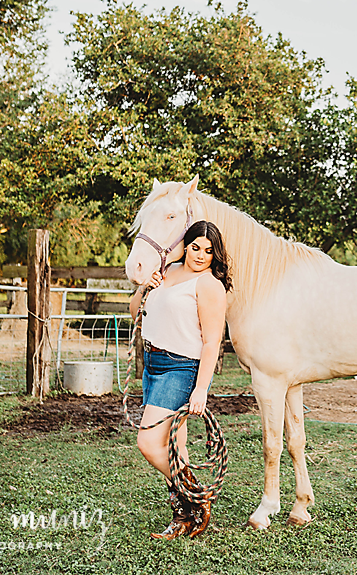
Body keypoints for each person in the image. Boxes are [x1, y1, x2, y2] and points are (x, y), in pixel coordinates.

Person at [128, 220, 231, 540]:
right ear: (185, 245)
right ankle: (184, 516)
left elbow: (213, 342)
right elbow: (135, 311)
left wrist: (201, 389)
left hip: (180, 368)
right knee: (177, 449)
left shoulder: (210, 286)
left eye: (208, 251)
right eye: (196, 247)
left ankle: (197, 497)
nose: (200, 256)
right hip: (153, 363)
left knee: (148, 443)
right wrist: (145, 286)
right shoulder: (169, 271)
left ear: (215, 255)